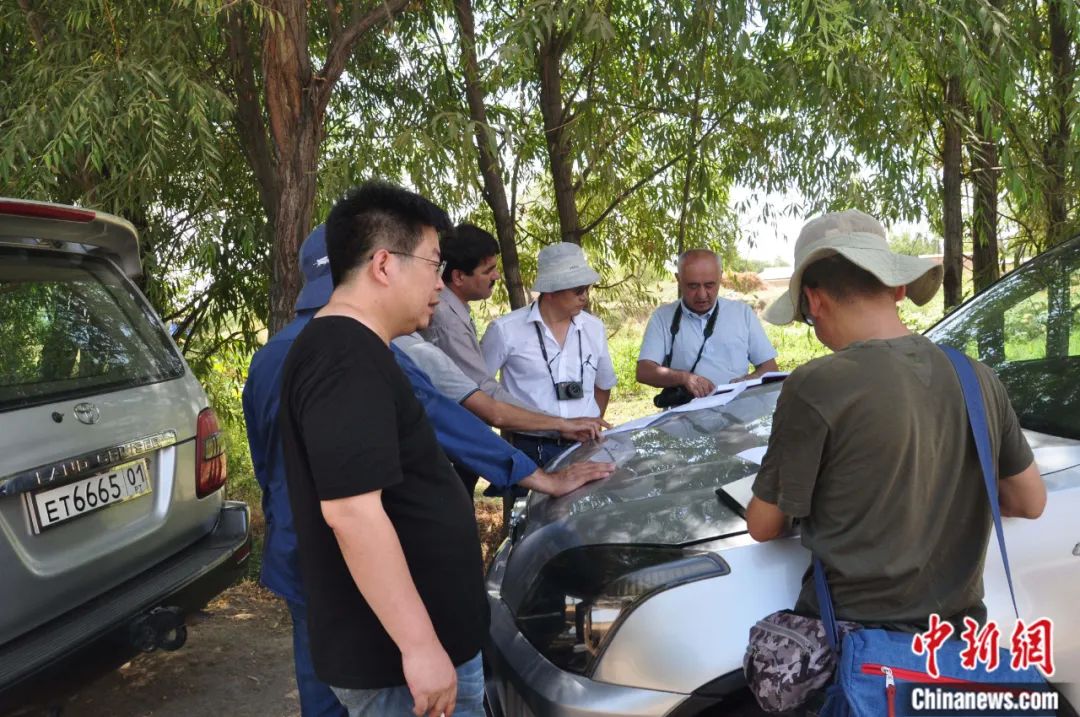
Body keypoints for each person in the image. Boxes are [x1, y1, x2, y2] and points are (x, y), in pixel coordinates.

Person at [248, 211, 611, 715]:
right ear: (380, 267)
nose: (437, 283)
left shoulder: (272, 357)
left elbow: (266, 461)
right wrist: (537, 476)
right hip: (369, 575)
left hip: (299, 554)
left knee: (324, 690)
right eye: (430, 265)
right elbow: (453, 425)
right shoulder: (366, 354)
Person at [746, 209, 1046, 637]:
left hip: (855, 649)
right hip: (950, 646)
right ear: (899, 288)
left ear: (813, 301)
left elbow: (763, 525)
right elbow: (1029, 501)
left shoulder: (815, 384)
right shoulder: (975, 375)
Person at [481, 242, 617, 466]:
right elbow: (479, 390)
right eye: (578, 290)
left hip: (586, 446)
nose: (585, 297)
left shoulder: (594, 328)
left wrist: (590, 422)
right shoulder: (505, 330)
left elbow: (603, 384)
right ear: (551, 291)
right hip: (529, 448)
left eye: (587, 289)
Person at [637, 249, 778, 399]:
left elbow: (770, 368)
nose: (702, 295)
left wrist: (747, 381)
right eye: (693, 286)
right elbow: (644, 371)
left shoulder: (742, 313)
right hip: (685, 412)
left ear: (720, 276)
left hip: (736, 409)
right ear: (678, 279)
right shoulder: (662, 317)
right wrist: (684, 378)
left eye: (710, 285)